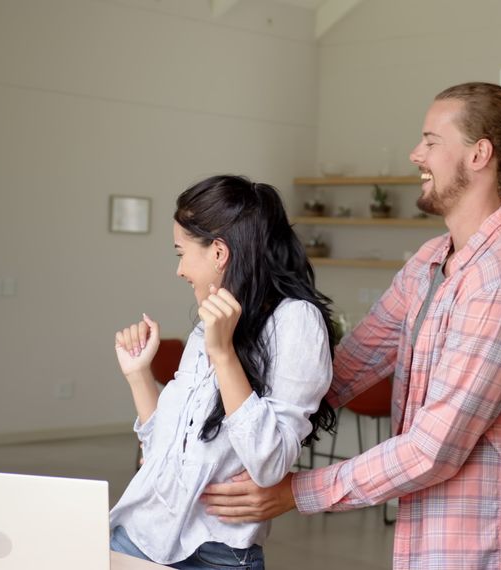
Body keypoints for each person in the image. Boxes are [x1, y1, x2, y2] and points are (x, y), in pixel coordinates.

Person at [201, 82, 501, 569]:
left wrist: (296, 490)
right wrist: (217, 435)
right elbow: (348, 366)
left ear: (479, 154)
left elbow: (431, 451)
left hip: (495, 547)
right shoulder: (431, 261)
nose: (415, 153)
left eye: (431, 140)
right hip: (436, 534)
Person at [108, 175, 337, 569]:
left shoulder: (296, 322)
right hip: (137, 532)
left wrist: (223, 352)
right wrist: (138, 375)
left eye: (181, 252)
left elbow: (269, 464)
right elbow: (160, 453)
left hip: (214, 553)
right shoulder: (210, 320)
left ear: (218, 252)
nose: (180, 269)